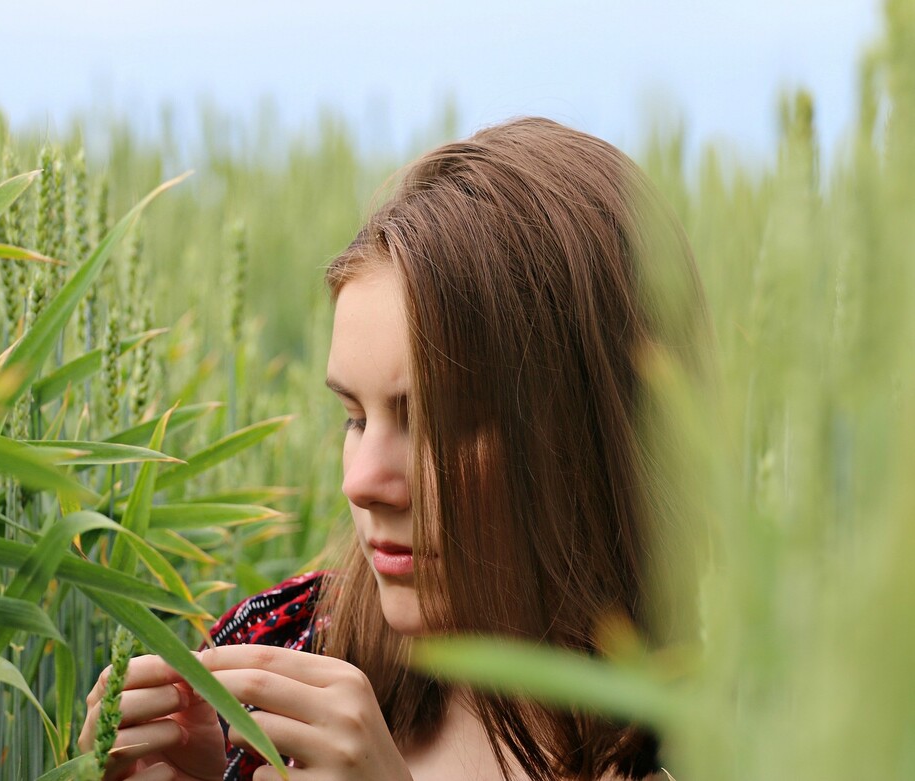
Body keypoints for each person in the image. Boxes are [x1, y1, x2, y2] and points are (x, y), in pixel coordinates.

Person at [79, 116, 707, 781]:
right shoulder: (275, 658)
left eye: (434, 423)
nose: (362, 482)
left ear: (582, 433)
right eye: (354, 418)